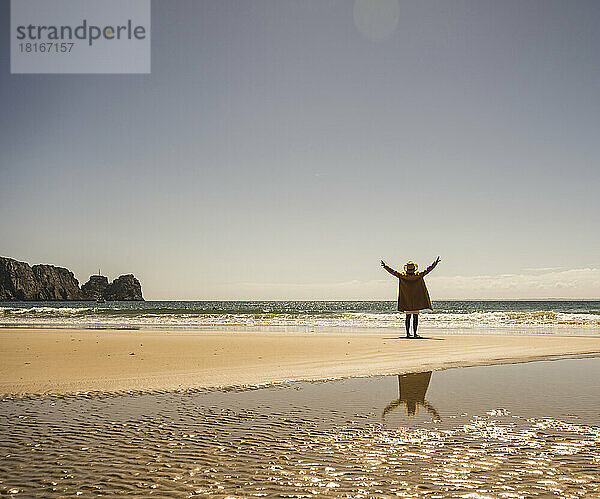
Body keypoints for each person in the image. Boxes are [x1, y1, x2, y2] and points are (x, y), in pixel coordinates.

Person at [381, 256, 440, 338]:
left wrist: (385, 266)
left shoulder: (402, 276)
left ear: (407, 269)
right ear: (414, 269)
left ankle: (408, 334)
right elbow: (428, 270)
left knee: (408, 317)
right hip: (417, 300)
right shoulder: (418, 275)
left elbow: (393, 272)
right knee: (415, 317)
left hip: (407, 300)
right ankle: (415, 334)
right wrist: (435, 263)